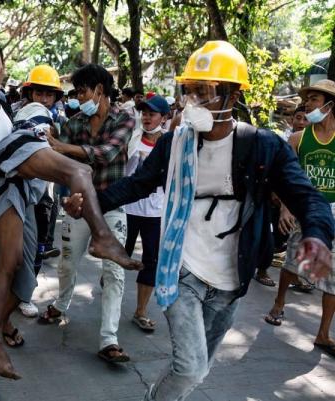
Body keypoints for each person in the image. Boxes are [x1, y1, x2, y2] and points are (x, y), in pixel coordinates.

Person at [63, 41, 334, 400]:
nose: (192, 102)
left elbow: (307, 197)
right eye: (189, 91)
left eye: (204, 92)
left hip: (231, 279)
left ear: (232, 95)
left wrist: (316, 235)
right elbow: (137, 185)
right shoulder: (174, 144)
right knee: (190, 367)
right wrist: (89, 204)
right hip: (182, 267)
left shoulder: (262, 146)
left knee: (197, 368)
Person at [0, 35, 139, 400]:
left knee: (20, 273)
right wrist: (11, 166)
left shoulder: (0, 104)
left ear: (3, 67)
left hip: (17, 196)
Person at [39, 63, 137, 365]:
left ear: (100, 90)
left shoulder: (124, 119)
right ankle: (61, 303)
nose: (79, 97)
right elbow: (57, 162)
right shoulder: (75, 123)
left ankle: (109, 340)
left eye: (83, 91)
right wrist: (66, 191)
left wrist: (64, 149)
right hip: (78, 206)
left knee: (114, 273)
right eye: (77, 92)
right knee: (67, 263)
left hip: (111, 206)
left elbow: (106, 153)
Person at [264, 79, 335, 358]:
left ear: (330, 105)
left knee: (333, 276)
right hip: (305, 210)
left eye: (315, 100)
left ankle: (323, 334)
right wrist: (285, 207)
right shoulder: (297, 139)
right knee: (294, 263)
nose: (308, 105)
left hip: (333, 212)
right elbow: (284, 180)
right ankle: (279, 302)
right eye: (308, 100)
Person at [17, 64, 66, 317]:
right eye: (39, 93)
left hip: (44, 195)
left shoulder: (61, 119)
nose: (44, 99)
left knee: (37, 246)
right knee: (15, 248)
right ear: (30, 93)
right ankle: (15, 293)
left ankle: (26, 293)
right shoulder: (20, 116)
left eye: (49, 94)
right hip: (19, 190)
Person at [124, 95, 170, 332]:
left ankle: (140, 311)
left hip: (155, 211)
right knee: (120, 255)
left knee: (150, 260)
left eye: (152, 114)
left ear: (163, 117)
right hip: (128, 207)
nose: (147, 117)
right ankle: (112, 278)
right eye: (144, 113)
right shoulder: (131, 137)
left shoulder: (170, 143)